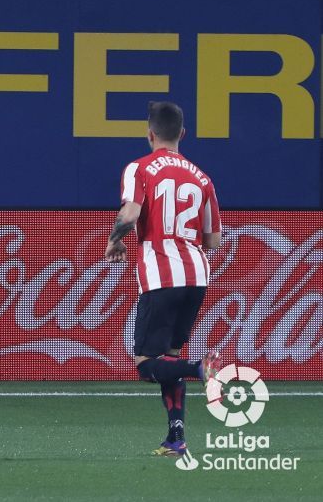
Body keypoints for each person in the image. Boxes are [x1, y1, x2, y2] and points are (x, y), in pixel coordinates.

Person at [104, 101, 223, 457]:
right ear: (182, 135)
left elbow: (130, 212)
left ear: (149, 133)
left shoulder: (139, 168)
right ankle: (176, 437)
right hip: (197, 274)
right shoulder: (202, 177)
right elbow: (214, 240)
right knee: (168, 357)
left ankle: (200, 368)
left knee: (145, 364)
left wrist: (115, 240)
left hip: (161, 274)